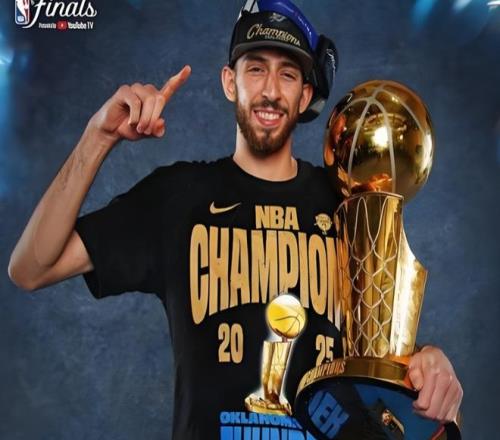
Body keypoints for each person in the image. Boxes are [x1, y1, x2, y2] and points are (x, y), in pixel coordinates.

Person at [8, 0, 462, 438]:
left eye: (288, 74)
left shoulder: (347, 204)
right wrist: (99, 136)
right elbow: (31, 268)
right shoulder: (178, 196)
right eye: (256, 69)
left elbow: (377, 355)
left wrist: (428, 359)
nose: (270, 91)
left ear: (305, 95)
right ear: (230, 81)